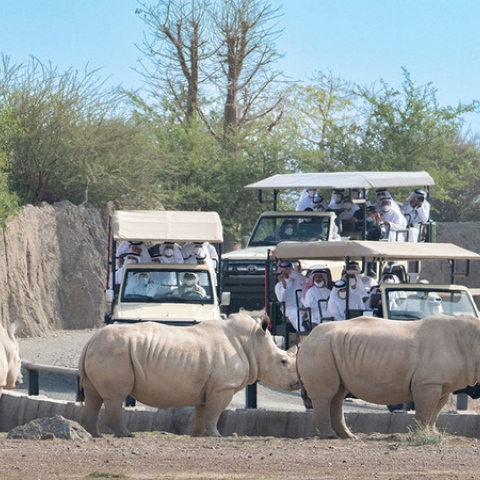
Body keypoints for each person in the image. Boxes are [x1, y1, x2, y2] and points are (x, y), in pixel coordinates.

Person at [275, 261, 306, 332]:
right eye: (282, 271)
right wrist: (284, 285)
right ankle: (302, 333)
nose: (284, 273)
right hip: (288, 308)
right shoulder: (278, 286)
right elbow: (280, 299)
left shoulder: (297, 281)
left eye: (286, 270)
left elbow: (303, 279)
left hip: (301, 306)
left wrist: (290, 273)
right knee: (296, 314)